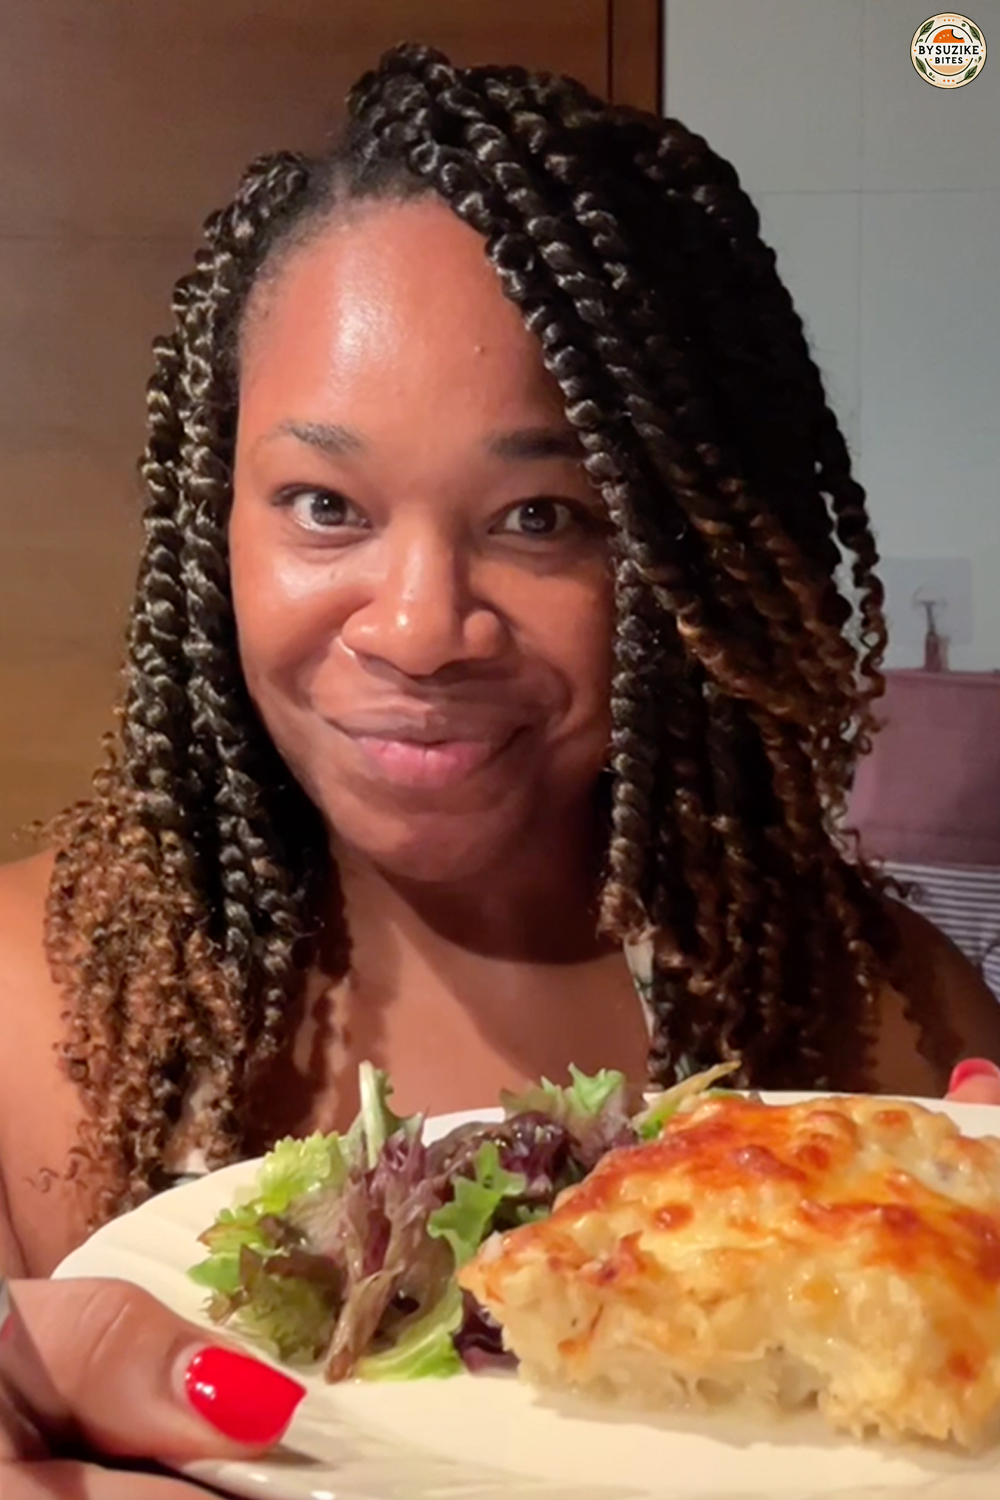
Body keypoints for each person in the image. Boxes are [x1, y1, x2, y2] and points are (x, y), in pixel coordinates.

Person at [1, 42, 999, 1491]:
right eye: (324, 503)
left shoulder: (891, 1038)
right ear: (215, 528)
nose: (418, 629)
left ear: (690, 561)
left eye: (543, 519)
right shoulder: (31, 1000)